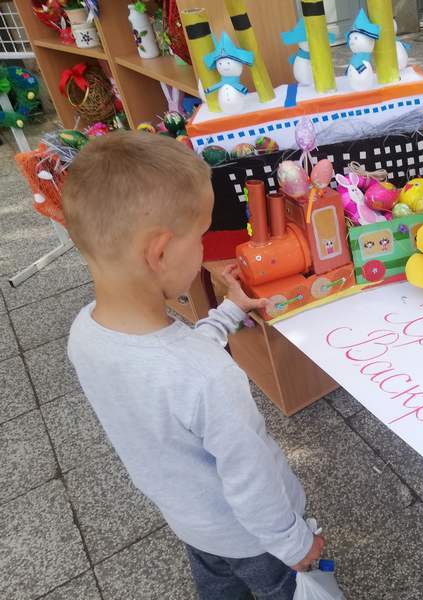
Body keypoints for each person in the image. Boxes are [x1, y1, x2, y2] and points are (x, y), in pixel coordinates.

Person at [61, 132, 324, 600]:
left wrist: (226, 315)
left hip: (192, 526)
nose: (204, 251)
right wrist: (294, 544)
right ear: (160, 252)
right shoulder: (207, 378)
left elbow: (164, 375)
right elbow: (252, 477)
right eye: (201, 237)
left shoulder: (86, 333)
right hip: (257, 542)